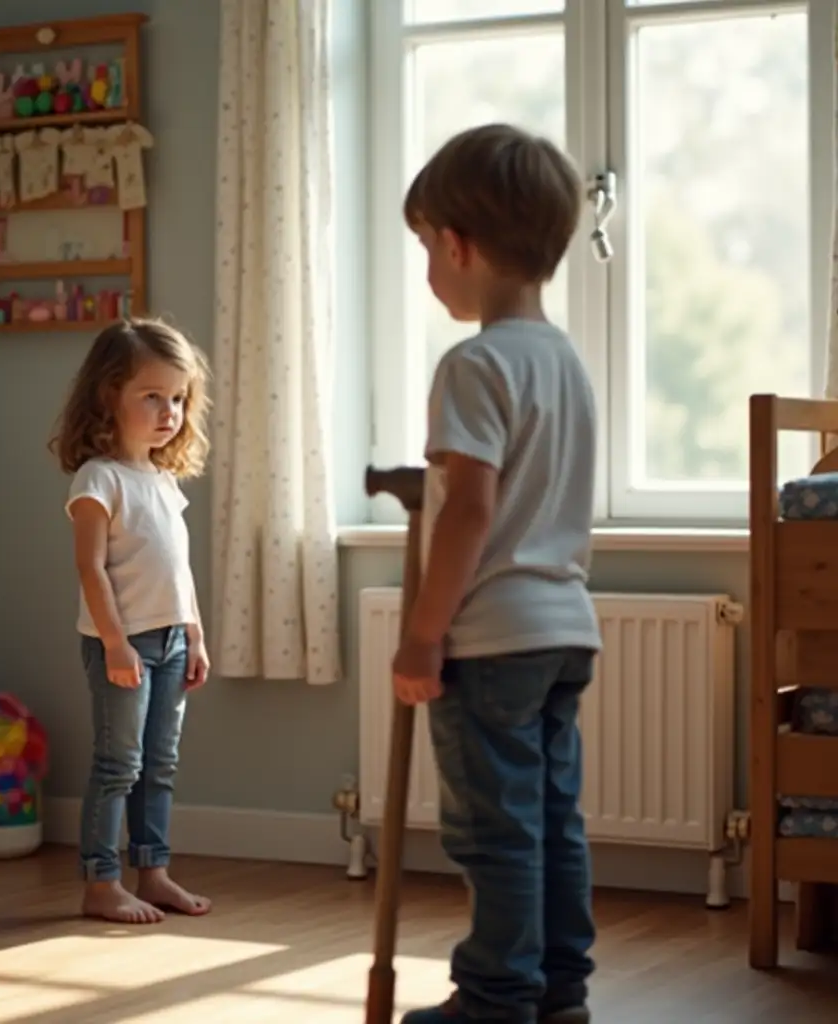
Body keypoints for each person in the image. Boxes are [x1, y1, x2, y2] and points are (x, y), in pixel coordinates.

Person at [392, 124, 602, 1024]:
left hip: (493, 639)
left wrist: (422, 636)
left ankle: (495, 997)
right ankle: (560, 990)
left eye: (425, 250)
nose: (429, 273)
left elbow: (471, 512)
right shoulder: (565, 362)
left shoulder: (472, 365)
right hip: (564, 629)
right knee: (553, 822)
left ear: (454, 243)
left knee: (494, 830)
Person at [50, 317, 213, 925]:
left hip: (171, 640)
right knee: (119, 763)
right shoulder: (100, 480)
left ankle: (155, 871)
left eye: (177, 398)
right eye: (152, 396)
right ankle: (100, 883)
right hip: (123, 644)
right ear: (107, 395)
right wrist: (117, 646)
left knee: (159, 763)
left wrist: (194, 634)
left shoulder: (163, 481)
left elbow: (179, 571)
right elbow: (91, 572)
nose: (169, 410)